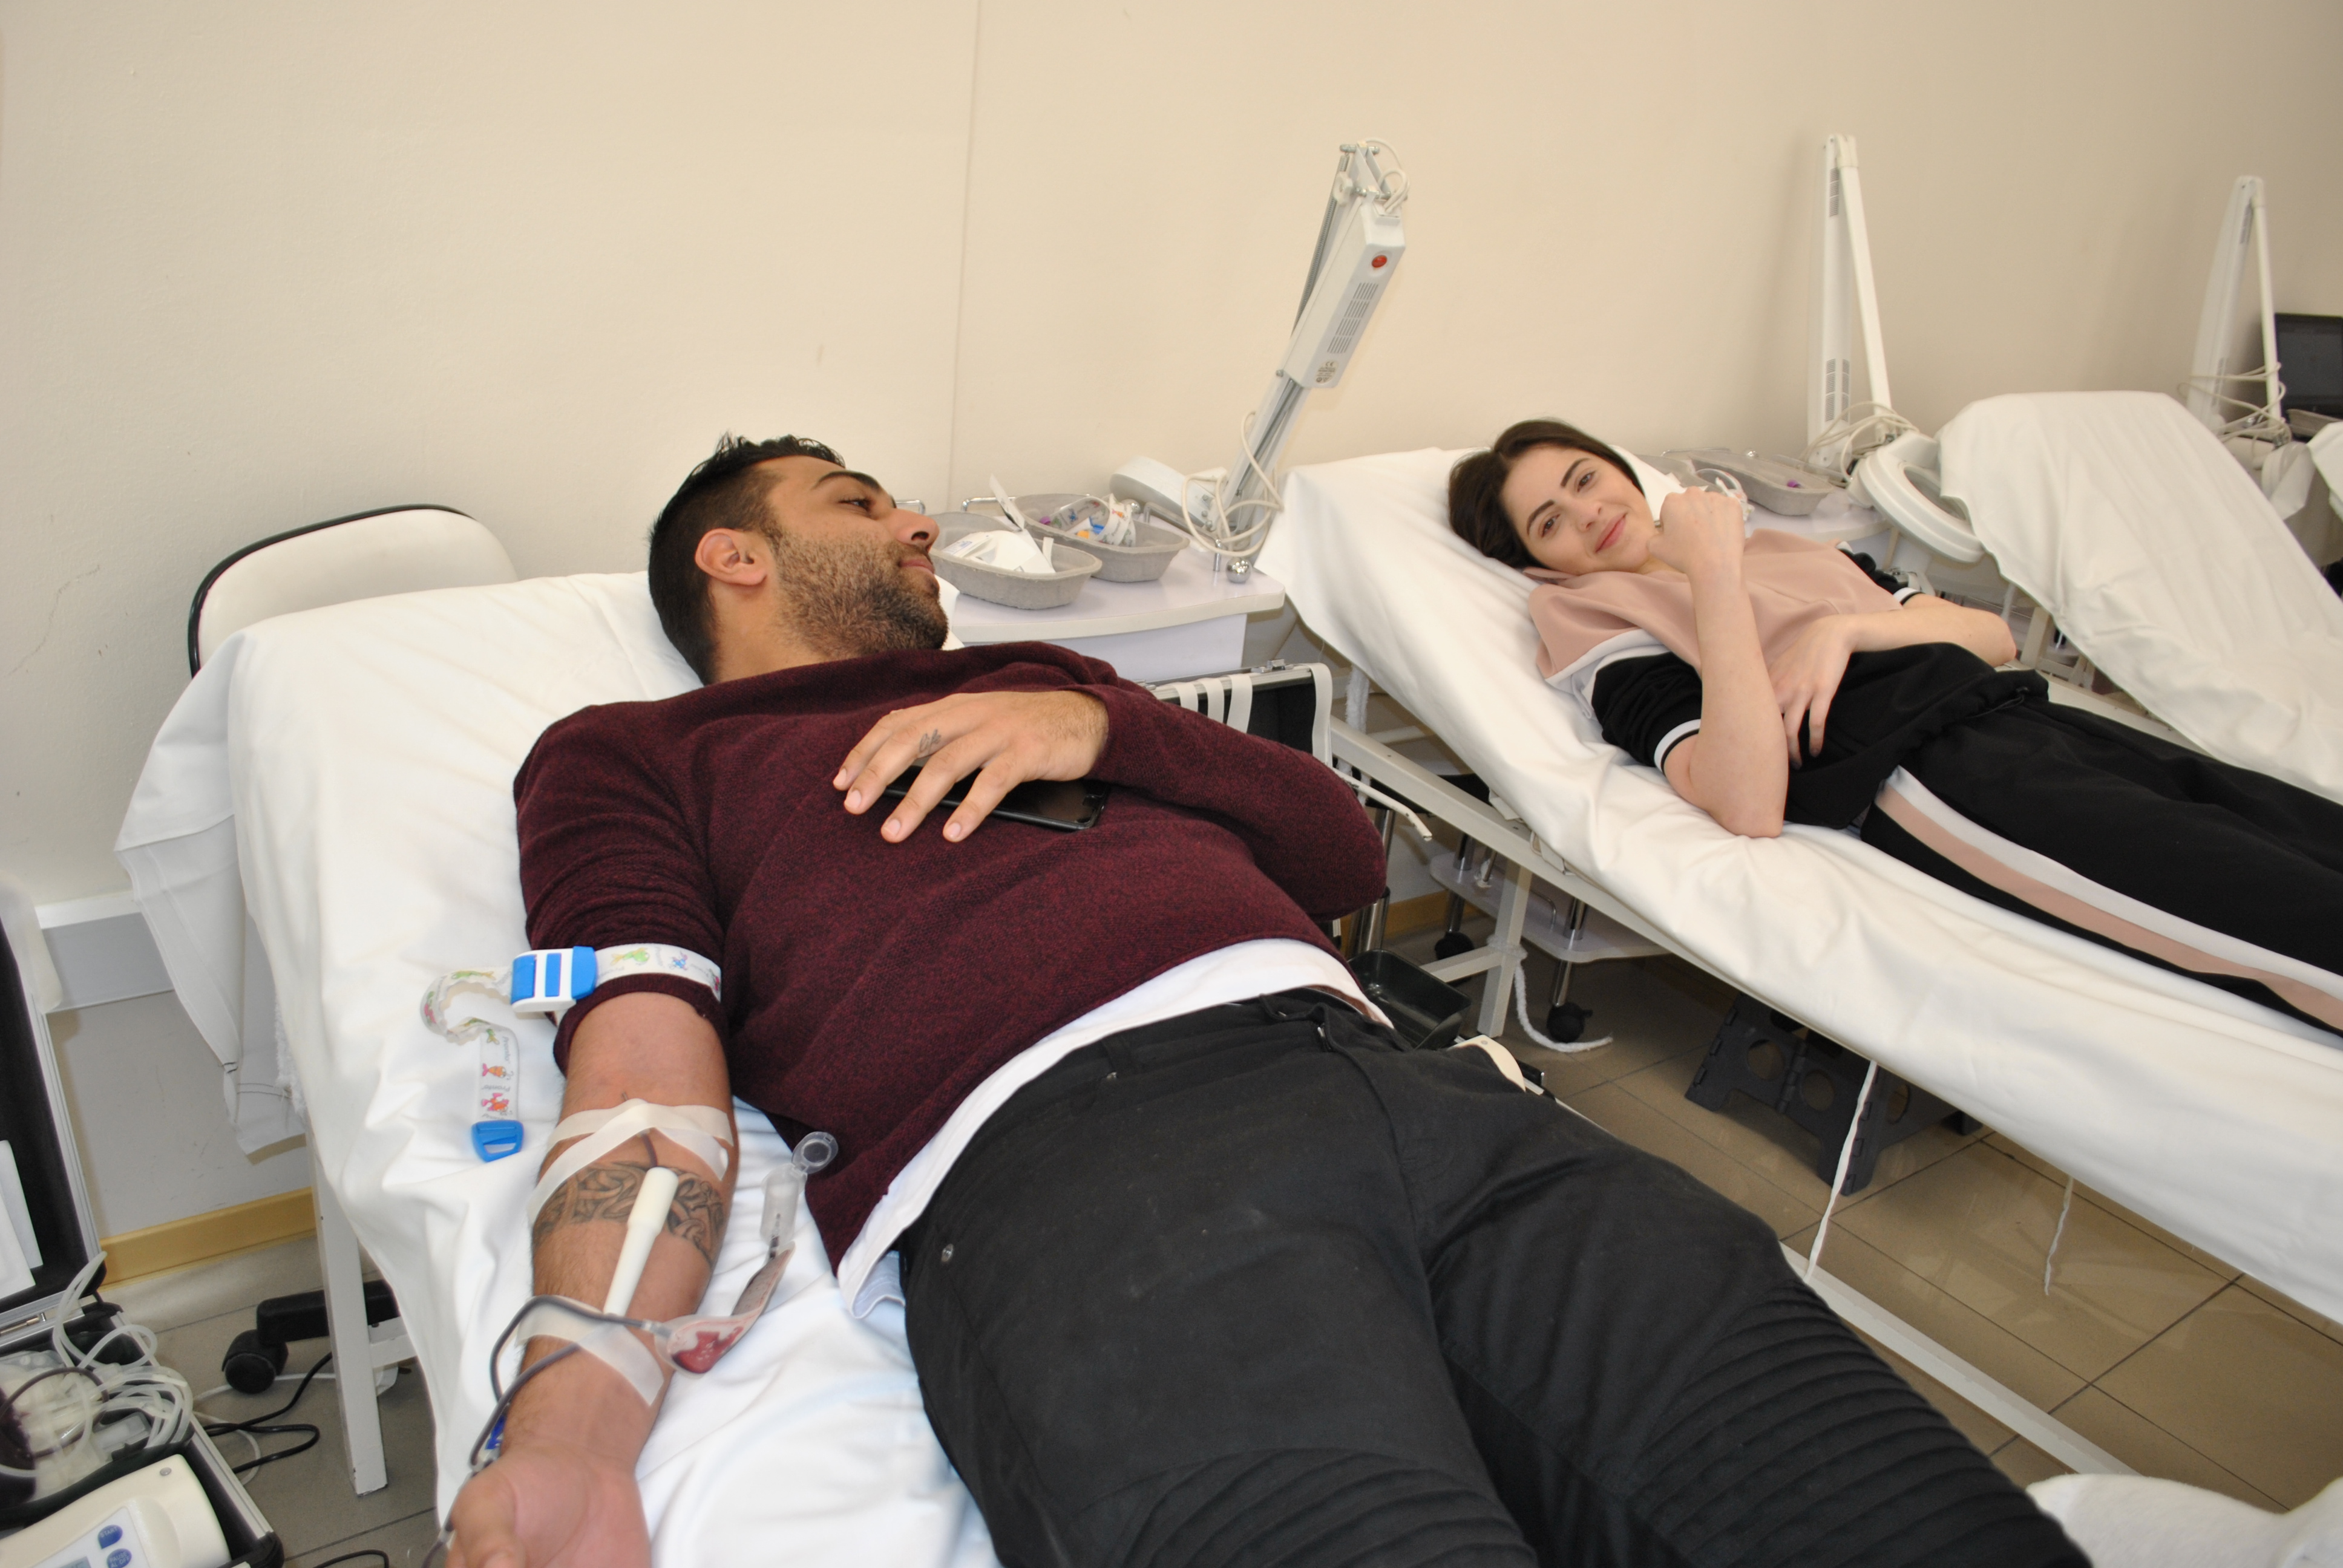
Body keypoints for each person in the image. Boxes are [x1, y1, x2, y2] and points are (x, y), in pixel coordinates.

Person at [446, 433, 2087, 1568]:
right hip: (1078, 1186)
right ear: (733, 555)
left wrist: (1106, 729)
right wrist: (578, 1420)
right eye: (860, 502)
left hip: (1432, 1104)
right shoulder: (631, 754)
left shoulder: (1051, 683)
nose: (919, 524)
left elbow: (1340, 853)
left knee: (1889, 1522)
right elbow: (642, 1056)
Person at [1447, 417, 2343, 1037]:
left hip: (2024, 716)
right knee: (2270, 901)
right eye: (1550, 523)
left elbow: (1988, 637)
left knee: (2304, 829)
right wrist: (1711, 577)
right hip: (1937, 777)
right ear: (1539, 565)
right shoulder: (1596, 621)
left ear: (1619, 469)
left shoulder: (1782, 547)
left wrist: (1844, 629)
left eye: (1585, 480)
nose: (1590, 514)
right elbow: (1746, 799)